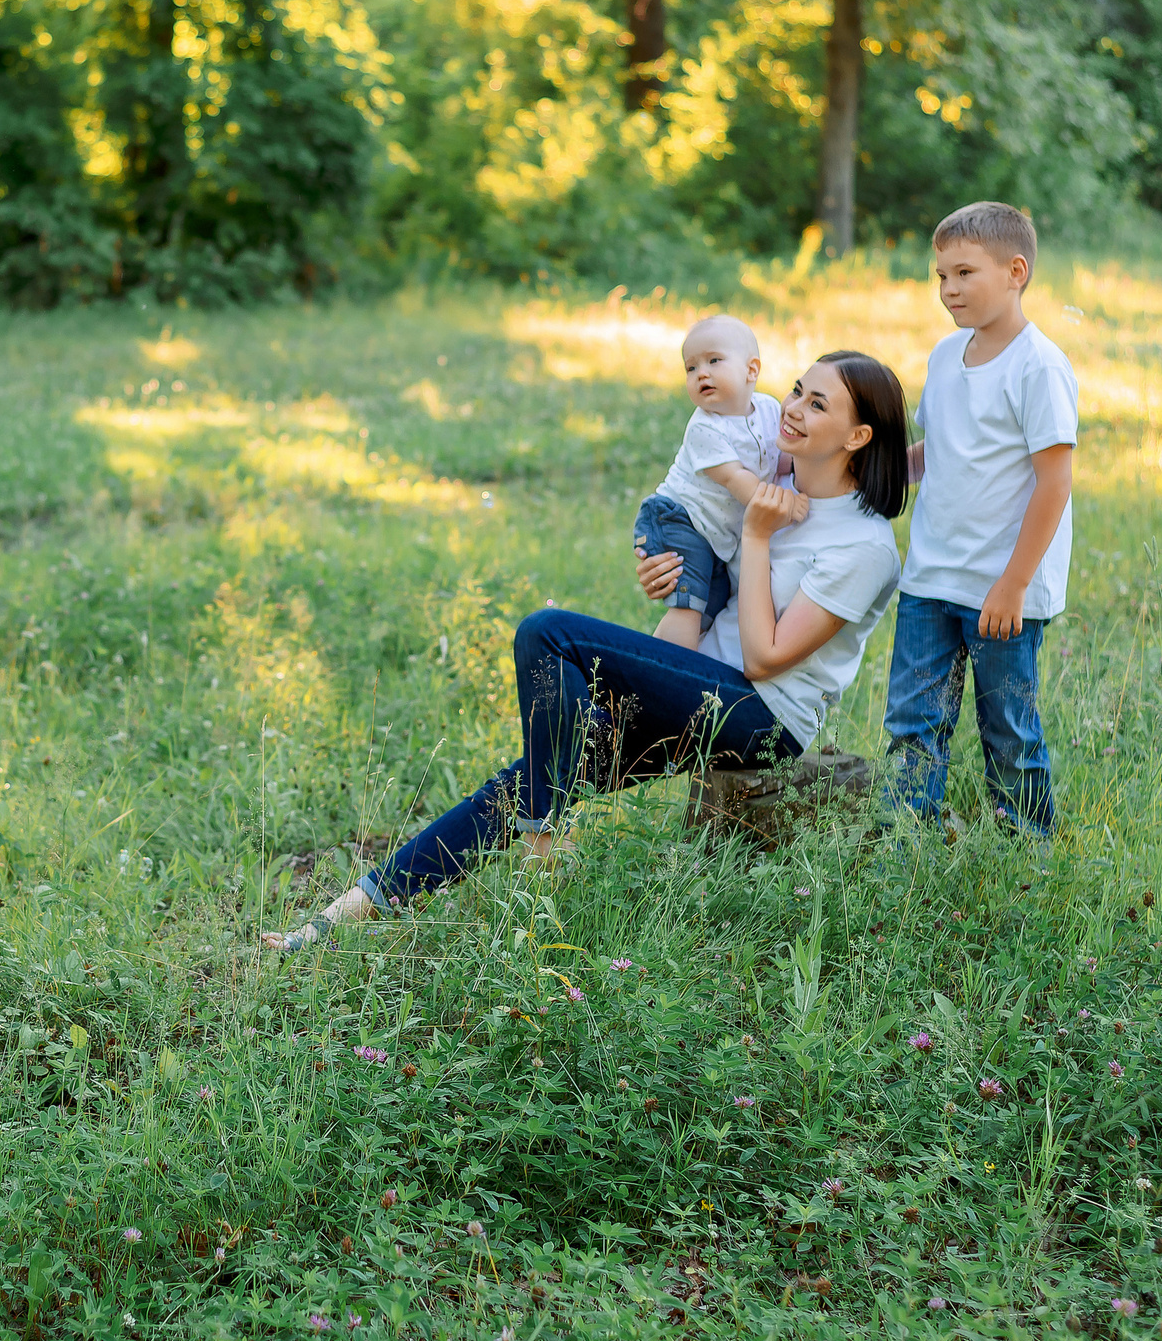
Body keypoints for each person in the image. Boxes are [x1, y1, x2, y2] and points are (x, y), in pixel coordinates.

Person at [265, 351, 907, 951]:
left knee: (549, 634)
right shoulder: (768, 479)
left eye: (818, 405)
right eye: (797, 390)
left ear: (858, 438)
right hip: (701, 684)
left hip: (762, 717)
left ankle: (548, 836)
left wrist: (757, 535)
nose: (793, 407)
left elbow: (767, 657)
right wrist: (672, 571)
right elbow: (707, 567)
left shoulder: (864, 545)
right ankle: (334, 921)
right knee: (537, 773)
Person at [884, 201, 1077, 836]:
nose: (949, 289)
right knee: (913, 722)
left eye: (964, 273)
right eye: (940, 276)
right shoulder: (945, 355)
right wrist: (868, 469)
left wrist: (1015, 582)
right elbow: (936, 450)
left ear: (1015, 270)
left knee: (1007, 728)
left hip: (1002, 588)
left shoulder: (1037, 366)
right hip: (930, 577)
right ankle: (905, 848)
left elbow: (1054, 480)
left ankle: (1025, 852)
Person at [634, 315, 784, 650]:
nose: (702, 372)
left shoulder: (769, 409)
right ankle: (669, 675)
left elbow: (782, 458)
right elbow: (736, 479)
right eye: (691, 367)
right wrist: (781, 507)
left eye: (714, 361)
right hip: (677, 518)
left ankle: (644, 672)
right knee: (689, 608)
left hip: (711, 532)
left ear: (751, 370)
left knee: (707, 611)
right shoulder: (704, 427)